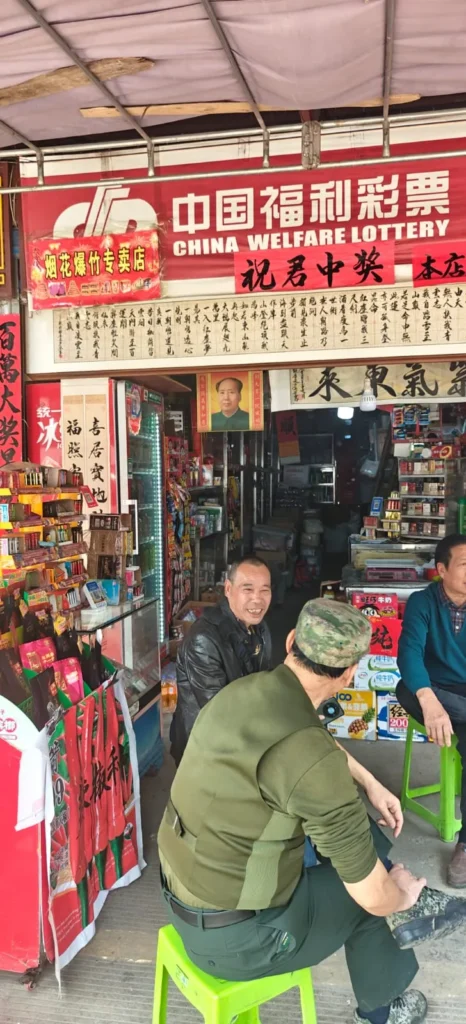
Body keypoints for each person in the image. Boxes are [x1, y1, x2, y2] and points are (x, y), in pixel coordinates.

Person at [159, 599, 466, 1024]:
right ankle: (382, 1013)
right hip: (240, 943)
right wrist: (397, 895)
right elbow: (372, 895)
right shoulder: (312, 763)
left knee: (344, 823)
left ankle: (387, 873)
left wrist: (369, 782)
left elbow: (306, 737)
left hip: (185, 901)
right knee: (372, 903)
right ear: (350, 673)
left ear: (290, 644)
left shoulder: (240, 694)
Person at [397, 533, 466, 888]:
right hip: (428, 687)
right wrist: (429, 701)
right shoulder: (423, 603)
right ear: (442, 569)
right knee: (407, 686)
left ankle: (465, 844)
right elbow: (408, 653)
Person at [169, 556, 272, 765]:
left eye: (265, 590)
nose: (257, 599)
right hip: (206, 753)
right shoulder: (203, 640)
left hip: (240, 744)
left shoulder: (259, 628)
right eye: (248, 589)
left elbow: (263, 684)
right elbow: (220, 712)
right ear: (228, 589)